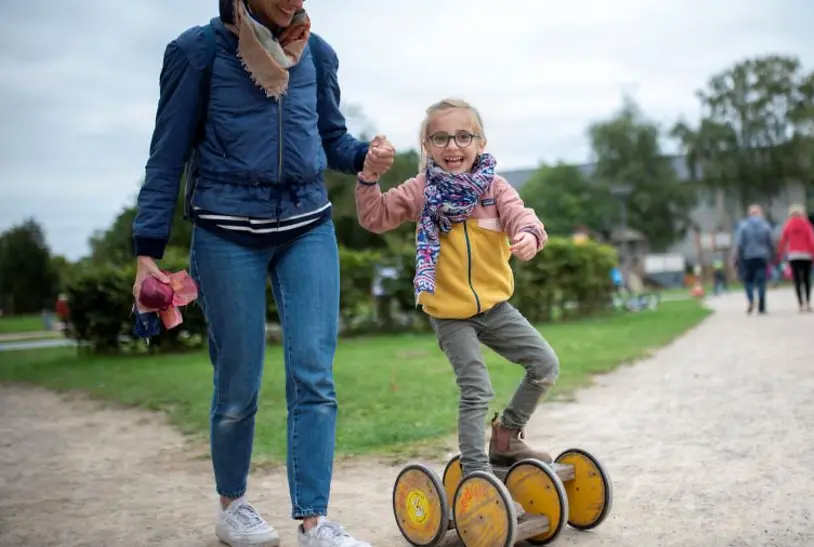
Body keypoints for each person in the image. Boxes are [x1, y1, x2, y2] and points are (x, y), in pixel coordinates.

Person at [130, 2, 394, 546]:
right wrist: (147, 247)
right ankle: (234, 506)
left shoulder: (317, 53)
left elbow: (330, 140)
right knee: (237, 380)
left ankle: (315, 521)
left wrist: (363, 157)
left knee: (314, 374)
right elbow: (167, 155)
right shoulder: (196, 52)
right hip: (226, 230)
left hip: (307, 226)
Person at [354, 98, 558, 483]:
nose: (453, 146)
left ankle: (506, 436)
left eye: (464, 136)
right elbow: (375, 217)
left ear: (481, 143)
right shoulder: (420, 190)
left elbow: (522, 217)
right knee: (476, 389)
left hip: (495, 308)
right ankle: (477, 473)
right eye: (441, 138)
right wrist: (368, 178)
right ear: (427, 147)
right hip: (449, 314)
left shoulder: (496, 189)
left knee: (545, 365)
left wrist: (530, 236)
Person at [777, 204, 814, 312]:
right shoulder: (807, 225)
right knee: (807, 279)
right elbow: (812, 240)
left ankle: (800, 304)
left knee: (797, 280)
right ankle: (808, 303)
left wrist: (780, 253)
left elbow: (783, 240)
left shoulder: (788, 225)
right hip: (806, 255)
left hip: (793, 255)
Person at [734, 205, 775, 314]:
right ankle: (762, 306)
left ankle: (751, 300)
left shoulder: (743, 226)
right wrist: (772, 255)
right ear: (760, 213)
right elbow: (770, 242)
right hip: (762, 256)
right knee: (762, 281)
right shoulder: (765, 225)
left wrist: (737, 257)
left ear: (749, 214)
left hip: (748, 257)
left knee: (748, 280)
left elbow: (740, 243)